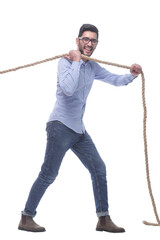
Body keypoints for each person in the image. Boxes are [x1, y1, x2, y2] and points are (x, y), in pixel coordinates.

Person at [18, 24, 142, 233]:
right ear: (77, 41)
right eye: (86, 39)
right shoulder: (64, 63)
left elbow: (115, 80)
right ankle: (26, 217)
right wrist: (76, 61)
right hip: (59, 127)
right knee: (49, 174)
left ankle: (103, 219)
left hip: (79, 131)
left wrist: (132, 75)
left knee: (99, 169)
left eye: (93, 40)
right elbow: (67, 89)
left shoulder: (92, 66)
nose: (89, 44)